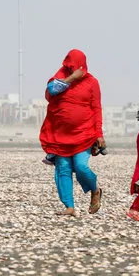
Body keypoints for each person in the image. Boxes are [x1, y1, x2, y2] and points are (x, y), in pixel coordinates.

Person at [39, 49, 105, 217]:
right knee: (63, 169)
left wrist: (99, 134)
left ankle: (95, 190)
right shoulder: (59, 78)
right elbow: (50, 92)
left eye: (75, 68)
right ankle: (69, 206)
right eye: (69, 67)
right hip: (60, 135)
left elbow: (96, 108)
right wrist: (71, 78)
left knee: (81, 166)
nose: (72, 70)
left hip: (84, 134)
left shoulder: (92, 82)